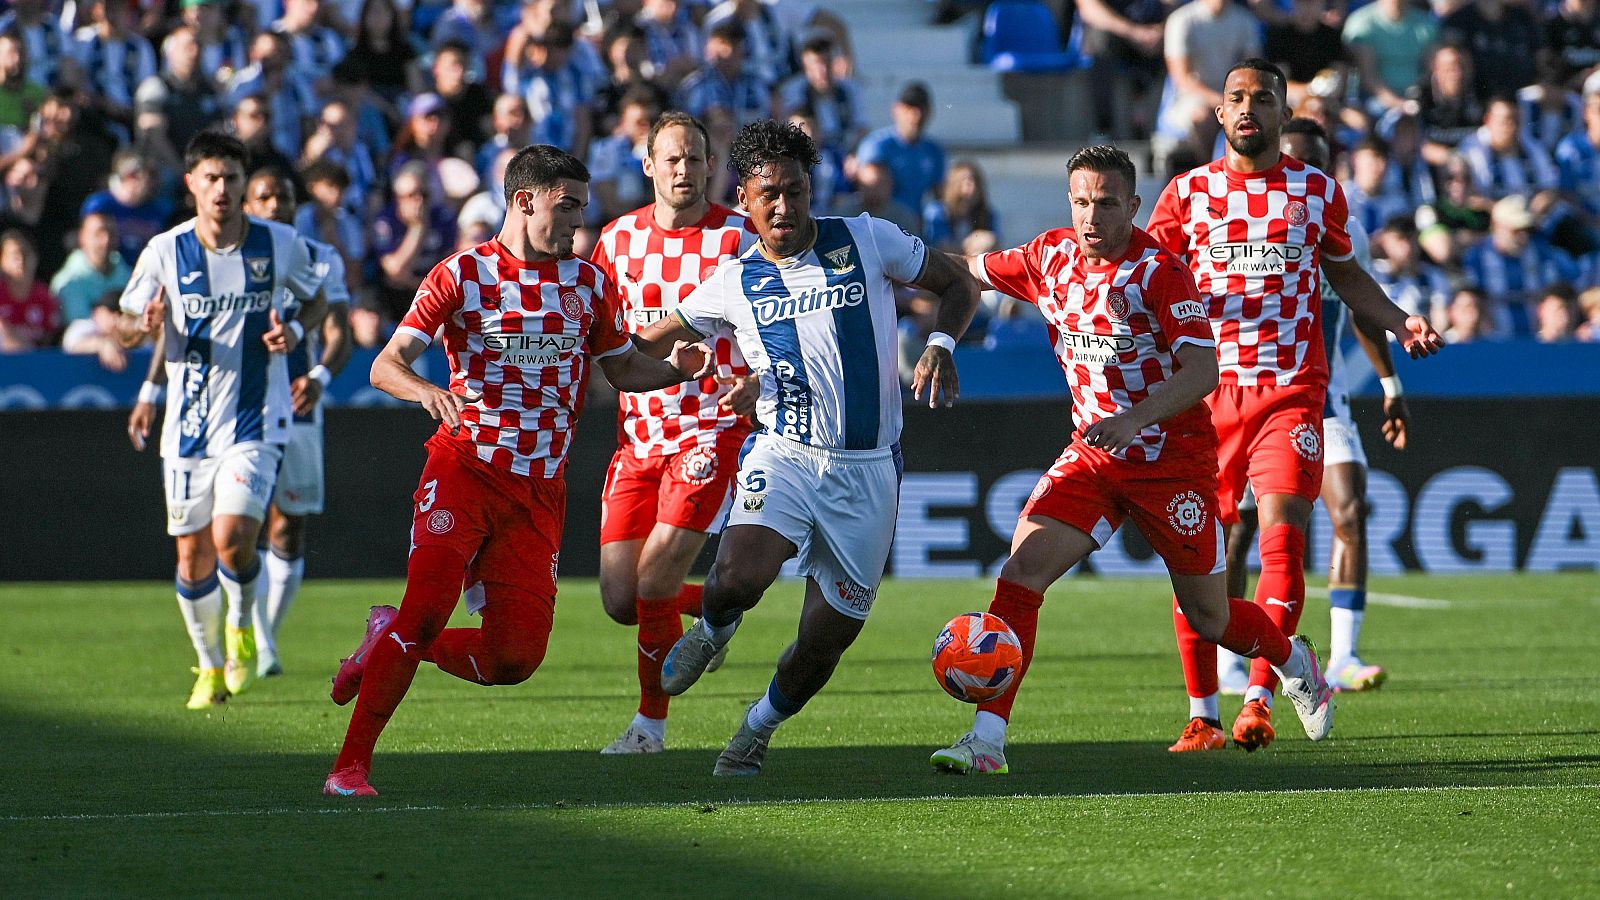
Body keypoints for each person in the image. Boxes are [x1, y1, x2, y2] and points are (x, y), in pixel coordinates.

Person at [322, 144, 715, 797]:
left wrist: (678, 369)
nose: (576, 226)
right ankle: (349, 767)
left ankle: (385, 635)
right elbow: (384, 364)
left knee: (514, 660)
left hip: (538, 494)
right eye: (567, 209)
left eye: (583, 212)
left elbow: (621, 369)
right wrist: (424, 391)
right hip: (465, 468)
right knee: (426, 612)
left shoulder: (588, 285)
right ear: (523, 201)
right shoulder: (462, 275)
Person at [928, 145, 1334, 774]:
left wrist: (1135, 417)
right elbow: (965, 271)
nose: (1092, 216)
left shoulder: (1159, 272)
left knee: (1211, 614)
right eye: (1082, 202)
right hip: (1091, 459)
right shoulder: (1048, 256)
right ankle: (986, 742)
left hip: (1172, 462)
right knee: (1019, 577)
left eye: (1107, 203)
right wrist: (878, 261)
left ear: (1134, 206)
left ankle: (1291, 660)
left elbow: (1204, 370)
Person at [630, 119, 980, 776]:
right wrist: (593, 348)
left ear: (810, 188)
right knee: (736, 576)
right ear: (745, 202)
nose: (785, 207)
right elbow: (654, 335)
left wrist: (939, 345)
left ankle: (757, 727)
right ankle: (712, 631)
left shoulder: (866, 239)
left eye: (795, 191)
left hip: (870, 472)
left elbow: (959, 282)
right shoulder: (733, 282)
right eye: (770, 196)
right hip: (784, 453)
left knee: (823, 643)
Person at [1146, 59, 1443, 752]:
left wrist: (1402, 321)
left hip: (1290, 387)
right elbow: (1146, 281)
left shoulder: (1316, 193)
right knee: (1202, 557)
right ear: (1219, 114)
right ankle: (1203, 714)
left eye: (1264, 99)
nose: (1249, 109)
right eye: (1237, 98)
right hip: (1205, 395)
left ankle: (1257, 699)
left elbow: (1348, 278)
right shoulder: (1185, 196)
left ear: (1284, 114)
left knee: (1280, 531)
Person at [115, 132, 324, 710]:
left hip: (256, 419)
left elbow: (319, 298)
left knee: (233, 538)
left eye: (231, 177)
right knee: (190, 556)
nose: (222, 189)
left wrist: (298, 332)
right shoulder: (165, 251)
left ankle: (241, 627)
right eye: (211, 178)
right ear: (191, 185)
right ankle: (208, 665)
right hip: (187, 425)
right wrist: (145, 326)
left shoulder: (280, 244)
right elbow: (125, 326)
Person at [1217, 119, 1412, 698]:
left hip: (1322, 399)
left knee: (1348, 512)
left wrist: (1390, 384)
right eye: (1295, 159)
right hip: (1250, 399)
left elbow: (1360, 305)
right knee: (1240, 531)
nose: (1304, 171)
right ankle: (1233, 655)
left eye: (1316, 162)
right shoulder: (1236, 220)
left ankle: (1345, 655)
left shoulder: (1340, 223)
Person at [588, 111, 758, 755]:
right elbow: (604, 335)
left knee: (655, 577)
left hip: (712, 430)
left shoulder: (741, 237)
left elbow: (781, 325)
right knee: (619, 598)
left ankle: (648, 727)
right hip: (640, 438)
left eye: (695, 158)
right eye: (671, 159)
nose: (683, 169)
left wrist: (758, 384)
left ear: (712, 166)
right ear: (648, 166)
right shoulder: (617, 240)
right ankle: (716, 610)